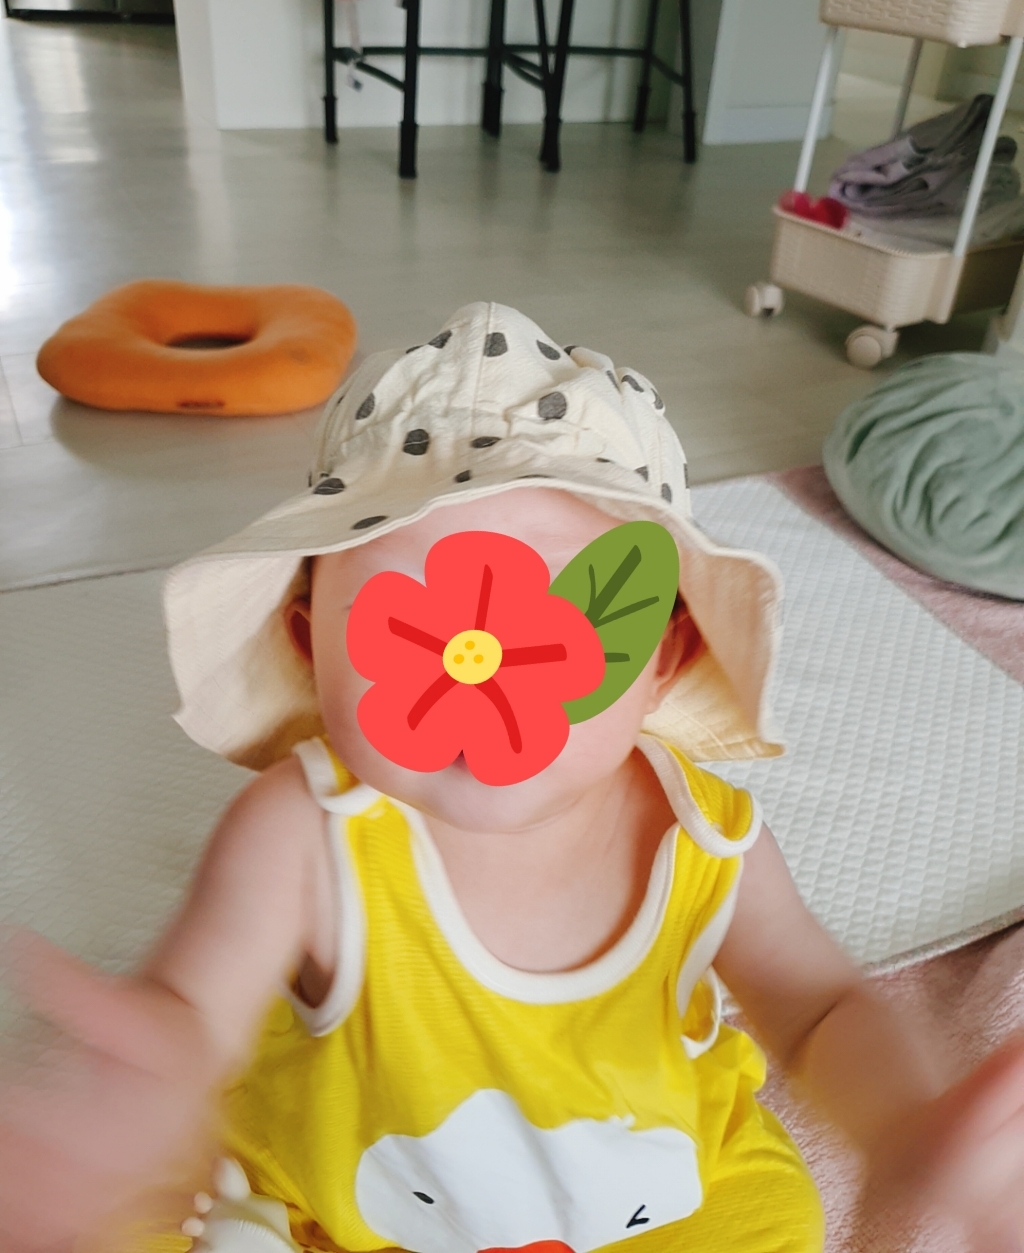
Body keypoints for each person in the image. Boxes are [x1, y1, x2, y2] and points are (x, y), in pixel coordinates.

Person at [3, 302, 1024, 1253]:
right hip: (356, 1199)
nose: (480, 670)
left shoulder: (701, 836)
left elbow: (819, 1008)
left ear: (661, 658)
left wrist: (904, 1123)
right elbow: (193, 1010)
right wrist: (139, 1095)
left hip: (639, 1190)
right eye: (410, 622)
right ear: (311, 644)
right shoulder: (304, 830)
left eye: (562, 625)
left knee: (769, 1213)